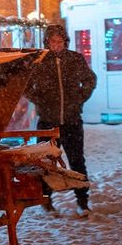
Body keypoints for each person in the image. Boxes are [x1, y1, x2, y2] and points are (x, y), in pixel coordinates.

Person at [25, 25, 97, 214]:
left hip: (72, 120)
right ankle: (47, 201)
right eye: (52, 41)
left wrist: (79, 98)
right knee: (46, 163)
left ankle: (83, 202)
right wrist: (40, 100)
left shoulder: (75, 59)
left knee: (77, 161)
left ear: (65, 42)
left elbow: (90, 79)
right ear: (47, 43)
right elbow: (26, 85)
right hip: (47, 122)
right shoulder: (39, 62)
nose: (57, 45)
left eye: (60, 41)